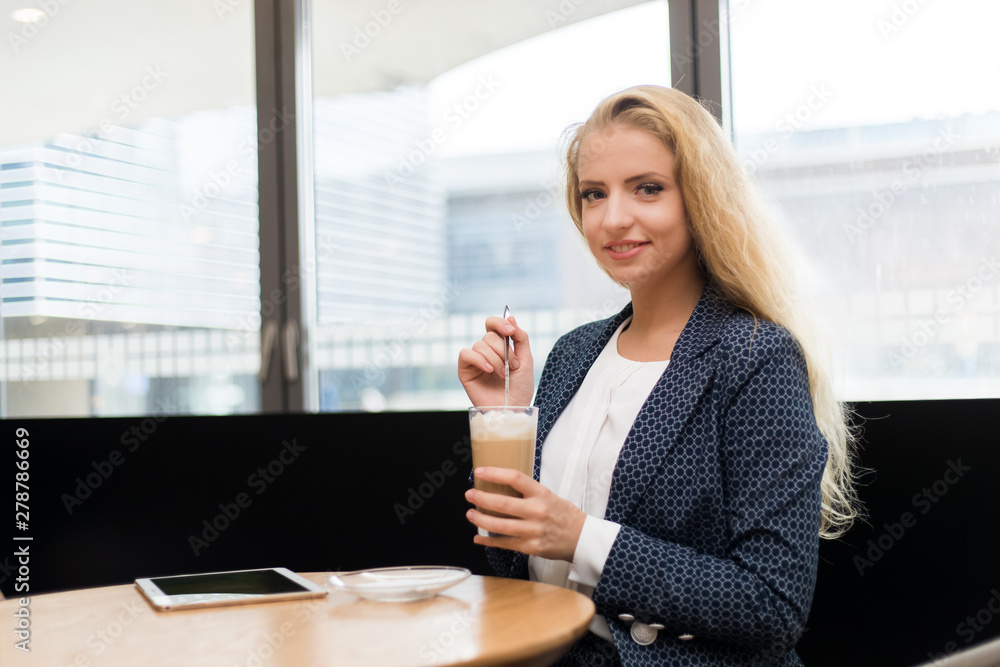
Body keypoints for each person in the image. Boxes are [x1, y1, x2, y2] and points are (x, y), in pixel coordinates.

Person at [457, 85, 857, 666]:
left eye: (647, 188)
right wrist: (507, 416)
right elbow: (519, 564)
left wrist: (581, 537)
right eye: (594, 194)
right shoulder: (574, 355)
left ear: (699, 198)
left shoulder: (755, 356)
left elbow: (773, 605)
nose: (614, 218)